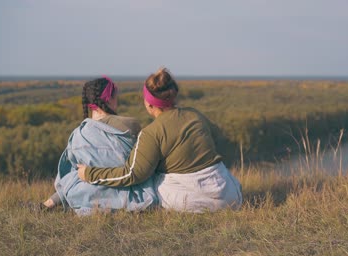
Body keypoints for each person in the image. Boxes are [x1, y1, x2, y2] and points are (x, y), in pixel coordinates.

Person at [77, 68, 242, 213]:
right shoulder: (195, 115)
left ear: (149, 104)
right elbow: (222, 142)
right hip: (230, 195)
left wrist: (89, 173)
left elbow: (132, 173)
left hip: (195, 201)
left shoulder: (150, 133)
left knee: (152, 179)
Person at [43, 76, 157, 215]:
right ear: (108, 99)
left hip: (87, 194)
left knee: (73, 173)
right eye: (115, 97)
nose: (117, 101)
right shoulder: (130, 124)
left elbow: (68, 172)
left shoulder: (79, 134)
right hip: (126, 190)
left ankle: (50, 203)